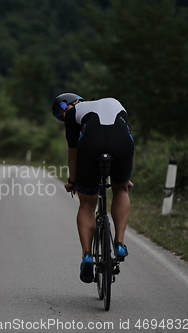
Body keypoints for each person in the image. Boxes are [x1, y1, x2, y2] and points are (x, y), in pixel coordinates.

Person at [51, 93, 134, 283]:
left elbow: (74, 154)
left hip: (90, 145)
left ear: (72, 104)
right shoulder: (115, 102)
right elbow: (130, 144)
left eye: (63, 113)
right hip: (121, 144)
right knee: (121, 189)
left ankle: (87, 255)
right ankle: (120, 243)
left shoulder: (74, 114)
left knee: (87, 205)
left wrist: (73, 181)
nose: (65, 118)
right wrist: (125, 179)